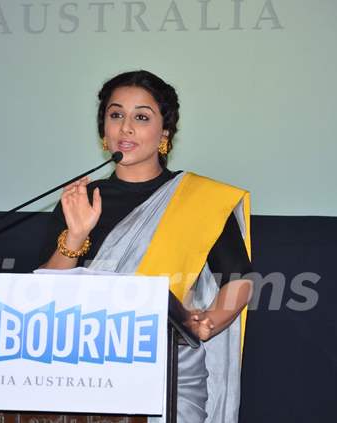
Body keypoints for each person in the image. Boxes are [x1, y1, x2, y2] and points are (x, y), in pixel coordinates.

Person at [39, 70, 253, 423]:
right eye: (116, 115)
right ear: (103, 129)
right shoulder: (80, 200)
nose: (126, 128)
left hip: (169, 373)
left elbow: (240, 280)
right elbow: (45, 294)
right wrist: (76, 235)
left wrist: (207, 323)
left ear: (164, 132)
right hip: (83, 370)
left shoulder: (198, 199)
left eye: (141, 117)